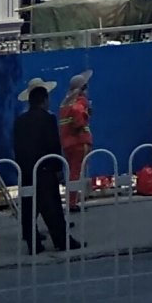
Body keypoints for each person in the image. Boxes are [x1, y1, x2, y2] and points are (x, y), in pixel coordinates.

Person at [11, 82, 72, 253]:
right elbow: (53, 144)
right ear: (44, 100)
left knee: (29, 207)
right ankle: (61, 240)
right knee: (52, 206)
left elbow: (17, 146)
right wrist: (58, 168)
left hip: (26, 169)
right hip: (45, 168)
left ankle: (33, 244)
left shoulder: (20, 121)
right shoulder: (48, 118)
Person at [58, 71, 95, 204]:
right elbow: (78, 115)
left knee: (72, 172)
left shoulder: (65, 103)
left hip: (68, 143)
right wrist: (84, 117)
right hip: (79, 142)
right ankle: (72, 202)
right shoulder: (80, 101)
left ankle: (72, 199)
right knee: (76, 173)